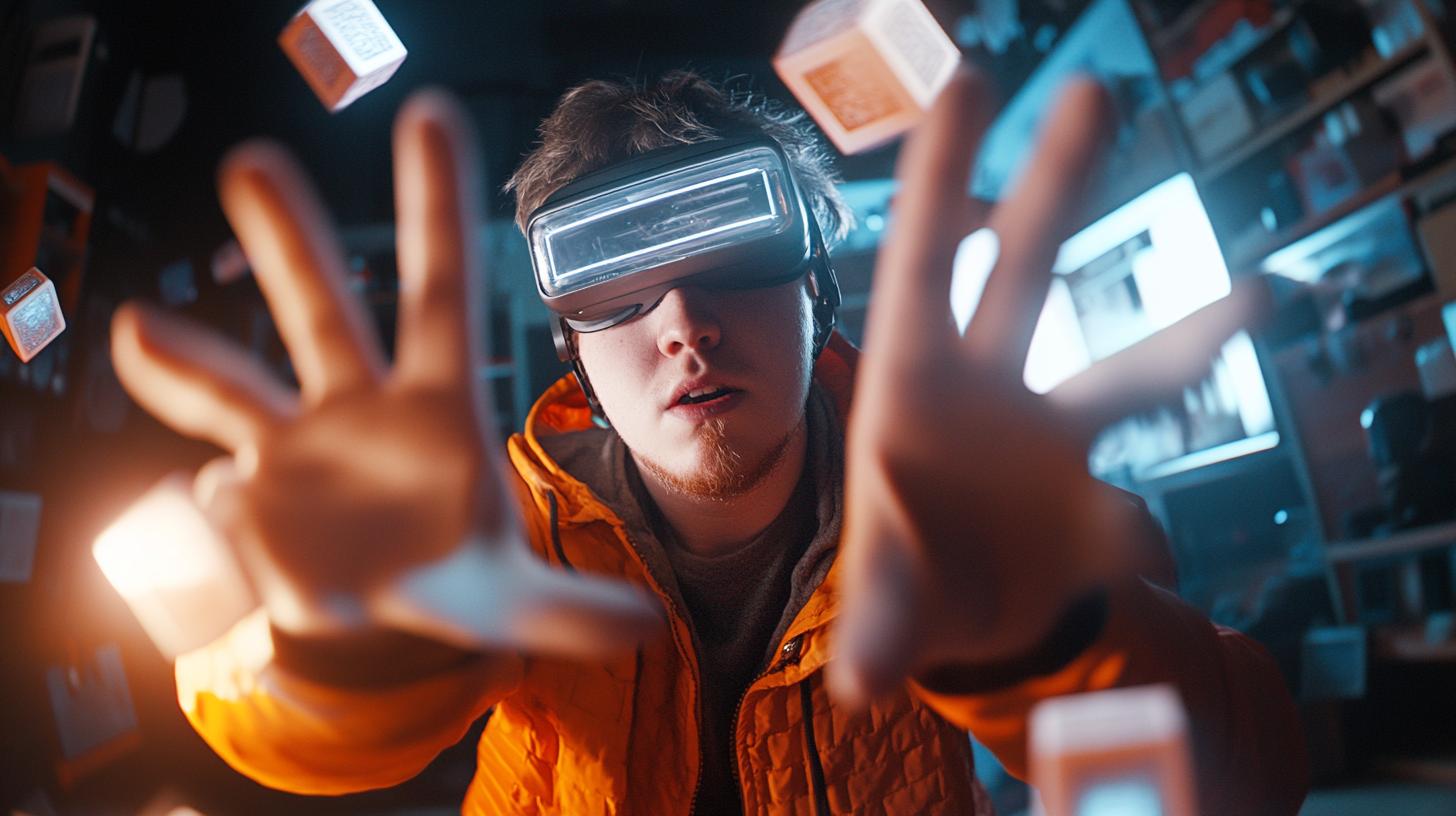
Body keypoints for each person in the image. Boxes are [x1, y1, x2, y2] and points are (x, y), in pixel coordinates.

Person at [110, 64, 1309, 815]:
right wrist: (355, 649)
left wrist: (1049, 650)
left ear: (816, 300)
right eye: (617, 290)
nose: (684, 322)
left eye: (733, 263)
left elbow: (1244, 785)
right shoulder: (502, 538)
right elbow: (280, 741)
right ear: (570, 350)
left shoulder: (956, 518)